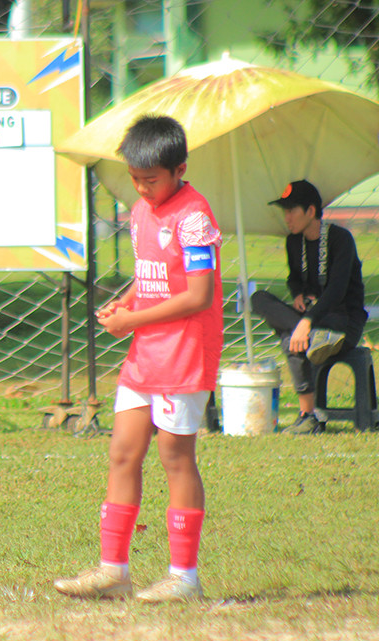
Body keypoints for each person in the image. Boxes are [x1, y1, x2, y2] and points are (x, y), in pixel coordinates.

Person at [53, 115, 223, 603]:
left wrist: (133, 320)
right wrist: (126, 303)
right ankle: (114, 571)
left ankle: (184, 577)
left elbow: (198, 295)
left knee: (175, 456)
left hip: (184, 354)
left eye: (151, 180)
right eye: (135, 179)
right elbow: (153, 275)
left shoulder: (194, 217)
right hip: (145, 352)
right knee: (123, 452)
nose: (142, 189)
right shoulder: (141, 211)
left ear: (180, 169)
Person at [250, 179, 367, 435]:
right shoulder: (294, 242)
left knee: (289, 339)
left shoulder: (340, 239)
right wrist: (298, 294)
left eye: (291, 210)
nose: (287, 217)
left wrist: (306, 322)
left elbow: (336, 291)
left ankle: (308, 415)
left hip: (343, 321)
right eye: (285, 211)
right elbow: (294, 278)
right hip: (312, 320)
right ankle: (312, 338)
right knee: (258, 298)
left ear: (311, 211)